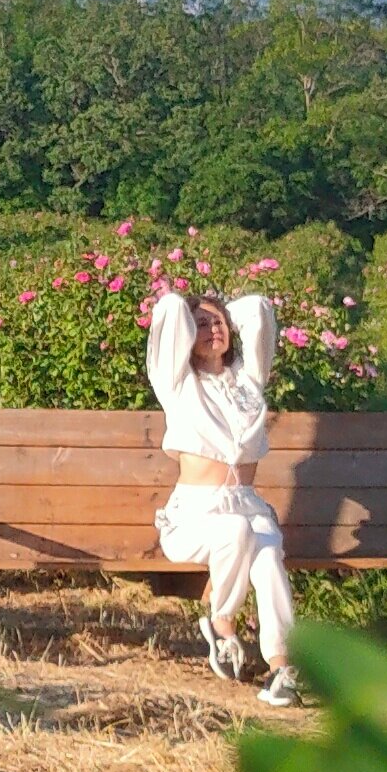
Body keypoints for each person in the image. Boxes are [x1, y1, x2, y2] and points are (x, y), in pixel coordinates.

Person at [145, 283, 302, 704]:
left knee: (269, 560)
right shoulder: (176, 383)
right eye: (201, 324)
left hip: (247, 506)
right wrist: (190, 308)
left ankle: (281, 668)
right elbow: (168, 313)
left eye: (218, 323)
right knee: (233, 530)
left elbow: (259, 309)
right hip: (196, 516)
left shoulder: (249, 382)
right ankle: (223, 623)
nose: (213, 329)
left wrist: (220, 312)